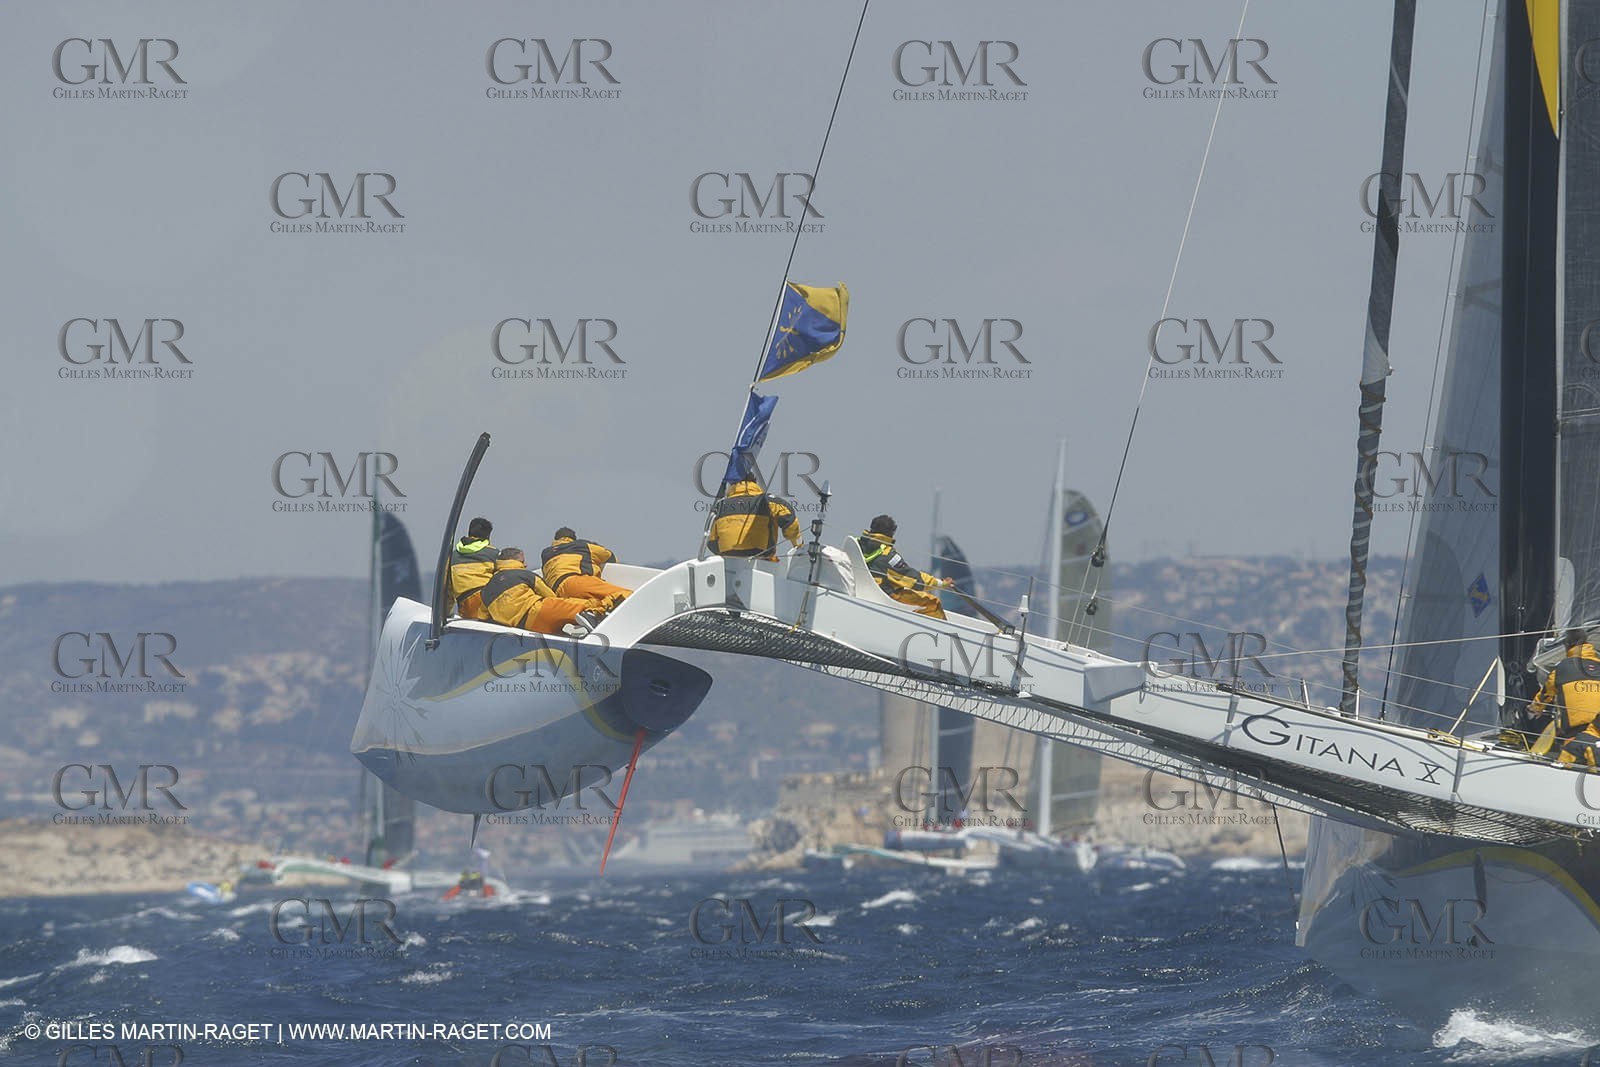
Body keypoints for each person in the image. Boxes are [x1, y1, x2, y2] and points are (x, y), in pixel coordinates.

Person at [480, 548, 602, 636]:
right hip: (537, 611)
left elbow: (482, 616)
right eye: (522, 561)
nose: (526, 564)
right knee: (586, 605)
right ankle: (599, 616)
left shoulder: (486, 590)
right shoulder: (525, 575)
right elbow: (550, 595)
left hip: (524, 627)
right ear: (515, 561)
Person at [854, 514, 953, 619]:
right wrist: (942, 583)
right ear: (891, 533)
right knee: (933, 603)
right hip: (887, 595)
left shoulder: (857, 543)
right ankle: (932, 634)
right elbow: (914, 579)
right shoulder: (889, 556)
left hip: (864, 589)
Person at [1527, 628, 1600, 769]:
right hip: (1598, 727)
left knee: (1568, 763)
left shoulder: (1560, 670)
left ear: (1567, 646)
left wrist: (1534, 709)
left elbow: (1544, 696)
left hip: (1576, 732)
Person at [706, 479, 801, 561]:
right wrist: (798, 546)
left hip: (728, 561)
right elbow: (790, 523)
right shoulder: (768, 500)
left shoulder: (721, 506)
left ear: (731, 486)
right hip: (761, 559)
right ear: (754, 483)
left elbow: (711, 541)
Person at [541, 528, 632, 612]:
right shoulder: (582, 546)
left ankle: (594, 613)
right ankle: (604, 609)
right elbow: (610, 557)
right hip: (576, 582)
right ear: (573, 539)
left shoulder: (545, 554)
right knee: (627, 595)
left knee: (593, 603)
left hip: (557, 595)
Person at [449, 517, 498, 620]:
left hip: (467, 608)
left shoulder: (452, 557)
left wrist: (444, 614)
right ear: (488, 536)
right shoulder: (494, 554)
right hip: (488, 605)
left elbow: (446, 590)